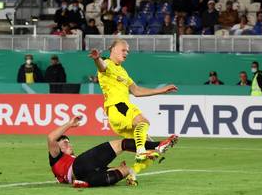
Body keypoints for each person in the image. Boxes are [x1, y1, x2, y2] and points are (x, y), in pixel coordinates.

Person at [89, 39, 178, 182]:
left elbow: (136, 90)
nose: (126, 53)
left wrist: (162, 90)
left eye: (128, 51)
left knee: (151, 147)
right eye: (123, 50)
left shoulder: (123, 71)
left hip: (120, 112)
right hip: (118, 107)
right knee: (144, 122)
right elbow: (101, 67)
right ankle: (142, 151)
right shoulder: (107, 64)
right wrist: (97, 58)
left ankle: (133, 173)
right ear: (113, 50)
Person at [47, 115, 177, 187]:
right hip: (80, 167)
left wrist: (117, 167)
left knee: (126, 170)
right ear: (57, 147)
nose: (67, 143)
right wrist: (69, 124)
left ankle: (88, 183)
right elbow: (51, 137)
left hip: (87, 174)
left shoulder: (69, 162)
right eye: (64, 142)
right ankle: (157, 145)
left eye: (68, 142)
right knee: (120, 144)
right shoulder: (56, 157)